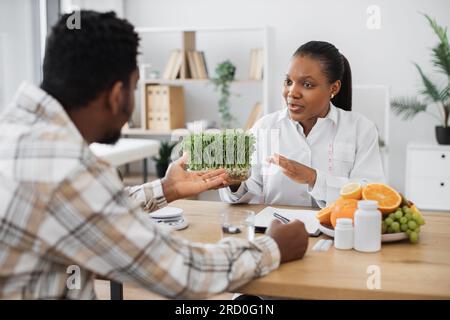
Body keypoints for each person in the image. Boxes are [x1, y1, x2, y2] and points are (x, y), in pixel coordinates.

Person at [0, 11, 308, 299]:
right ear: (117, 94)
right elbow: (182, 271)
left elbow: (84, 212)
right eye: (136, 88)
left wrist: (167, 188)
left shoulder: (16, 132)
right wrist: (273, 247)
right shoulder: (65, 167)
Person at [220, 41, 385, 208]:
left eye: (307, 84)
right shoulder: (265, 127)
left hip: (335, 231)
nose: (292, 93)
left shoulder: (361, 129)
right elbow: (247, 190)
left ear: (333, 88)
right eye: (288, 81)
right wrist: (233, 181)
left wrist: (313, 178)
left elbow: (370, 194)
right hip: (274, 231)